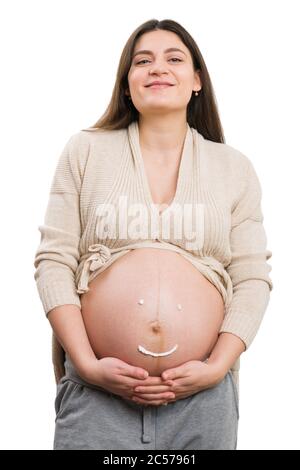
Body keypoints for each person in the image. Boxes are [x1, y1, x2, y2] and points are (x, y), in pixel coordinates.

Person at [33, 18, 273, 450]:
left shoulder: (234, 168)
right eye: (142, 61)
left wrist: (217, 367)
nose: (157, 68)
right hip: (97, 397)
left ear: (197, 79)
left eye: (174, 58)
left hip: (201, 402)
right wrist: (86, 364)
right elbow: (54, 261)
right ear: (127, 84)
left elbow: (252, 278)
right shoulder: (85, 151)